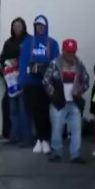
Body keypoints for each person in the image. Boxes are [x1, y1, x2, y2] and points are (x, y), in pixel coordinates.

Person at [42, 38, 90, 163]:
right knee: (57, 128)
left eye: (73, 52)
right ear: (63, 51)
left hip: (74, 102)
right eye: (68, 52)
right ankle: (56, 152)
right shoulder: (55, 64)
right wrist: (54, 95)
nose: (71, 55)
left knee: (76, 128)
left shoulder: (79, 64)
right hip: (59, 103)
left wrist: (79, 91)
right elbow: (46, 81)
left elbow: (86, 81)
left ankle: (75, 154)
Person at [18, 14, 59, 154]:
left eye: (42, 26)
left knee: (44, 112)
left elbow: (55, 63)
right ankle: (39, 139)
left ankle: (45, 139)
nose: (40, 28)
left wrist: (47, 73)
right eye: (37, 26)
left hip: (45, 83)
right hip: (31, 82)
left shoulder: (52, 43)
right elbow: (23, 62)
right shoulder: (28, 43)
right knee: (33, 112)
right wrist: (21, 80)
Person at [0, 17, 32, 147]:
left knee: (24, 110)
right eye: (15, 26)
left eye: (19, 26)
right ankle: (15, 136)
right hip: (12, 82)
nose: (17, 28)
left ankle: (26, 138)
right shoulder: (8, 42)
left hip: (25, 80)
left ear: (24, 27)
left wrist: (19, 62)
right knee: (13, 110)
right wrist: (6, 64)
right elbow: (1, 58)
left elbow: (33, 57)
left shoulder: (29, 40)